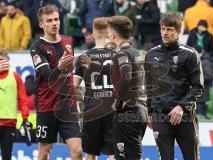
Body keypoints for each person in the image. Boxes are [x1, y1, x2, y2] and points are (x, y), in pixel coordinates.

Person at [145, 13, 204, 160]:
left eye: (169, 29)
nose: (165, 32)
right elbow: (149, 86)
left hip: (185, 116)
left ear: (178, 31)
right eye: (163, 29)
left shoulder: (190, 54)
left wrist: (181, 107)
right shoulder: (151, 54)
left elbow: (198, 86)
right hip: (160, 117)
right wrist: (149, 111)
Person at [29, 4, 82, 160]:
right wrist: (59, 67)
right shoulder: (37, 47)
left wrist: (76, 100)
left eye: (56, 19)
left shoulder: (68, 41)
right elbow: (46, 75)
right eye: (49, 20)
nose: (54, 23)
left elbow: (69, 75)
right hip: (47, 107)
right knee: (45, 152)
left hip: (68, 106)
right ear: (41, 24)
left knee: (77, 151)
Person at [74, 17, 115, 160]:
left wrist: (85, 98)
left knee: (90, 154)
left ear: (93, 33)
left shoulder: (83, 57)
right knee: (113, 154)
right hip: (112, 109)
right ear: (110, 33)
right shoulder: (117, 56)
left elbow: (72, 87)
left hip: (91, 109)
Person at [107, 15, 147, 159]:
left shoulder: (122, 54)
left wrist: (119, 101)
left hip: (127, 113)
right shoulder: (138, 52)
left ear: (113, 35)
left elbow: (126, 76)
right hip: (141, 111)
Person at [0, 49, 29, 160]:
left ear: (8, 59)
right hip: (9, 123)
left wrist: (25, 117)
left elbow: (23, 99)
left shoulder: (15, 76)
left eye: (3, 58)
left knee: (7, 156)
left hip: (9, 123)